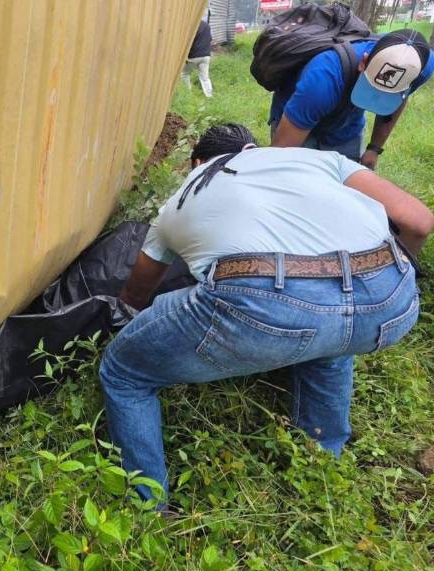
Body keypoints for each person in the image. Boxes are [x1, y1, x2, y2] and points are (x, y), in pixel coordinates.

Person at [99, 124, 434, 502]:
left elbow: (136, 293)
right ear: (252, 150)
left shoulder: (182, 198)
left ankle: (149, 506)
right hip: (392, 301)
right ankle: (322, 465)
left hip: (265, 304)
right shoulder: (319, 160)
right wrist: (379, 284)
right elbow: (419, 222)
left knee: (124, 371)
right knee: (331, 344)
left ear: (196, 163)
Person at [270, 29, 433, 169]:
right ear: (363, 62)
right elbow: (278, 158)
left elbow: (399, 99)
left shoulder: (421, 66)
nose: (374, 101)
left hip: (346, 123)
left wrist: (374, 149)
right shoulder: (323, 80)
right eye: (370, 87)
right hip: (298, 116)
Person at [181, 19, 213, 98]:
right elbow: (210, 39)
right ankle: (209, 96)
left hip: (193, 56)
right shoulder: (206, 25)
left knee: (184, 73)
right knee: (205, 77)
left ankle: (187, 94)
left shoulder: (192, 26)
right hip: (206, 56)